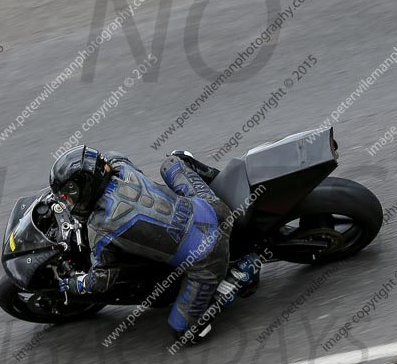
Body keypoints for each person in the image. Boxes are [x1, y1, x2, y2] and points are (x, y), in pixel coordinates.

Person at [50, 145, 258, 342]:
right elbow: (112, 157)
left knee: (185, 332)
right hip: (210, 205)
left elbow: (101, 281)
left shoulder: (99, 227)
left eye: (69, 197)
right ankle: (223, 184)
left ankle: (240, 275)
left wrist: (74, 283)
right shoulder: (120, 166)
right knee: (172, 162)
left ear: (87, 188)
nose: (67, 202)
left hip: (209, 256)